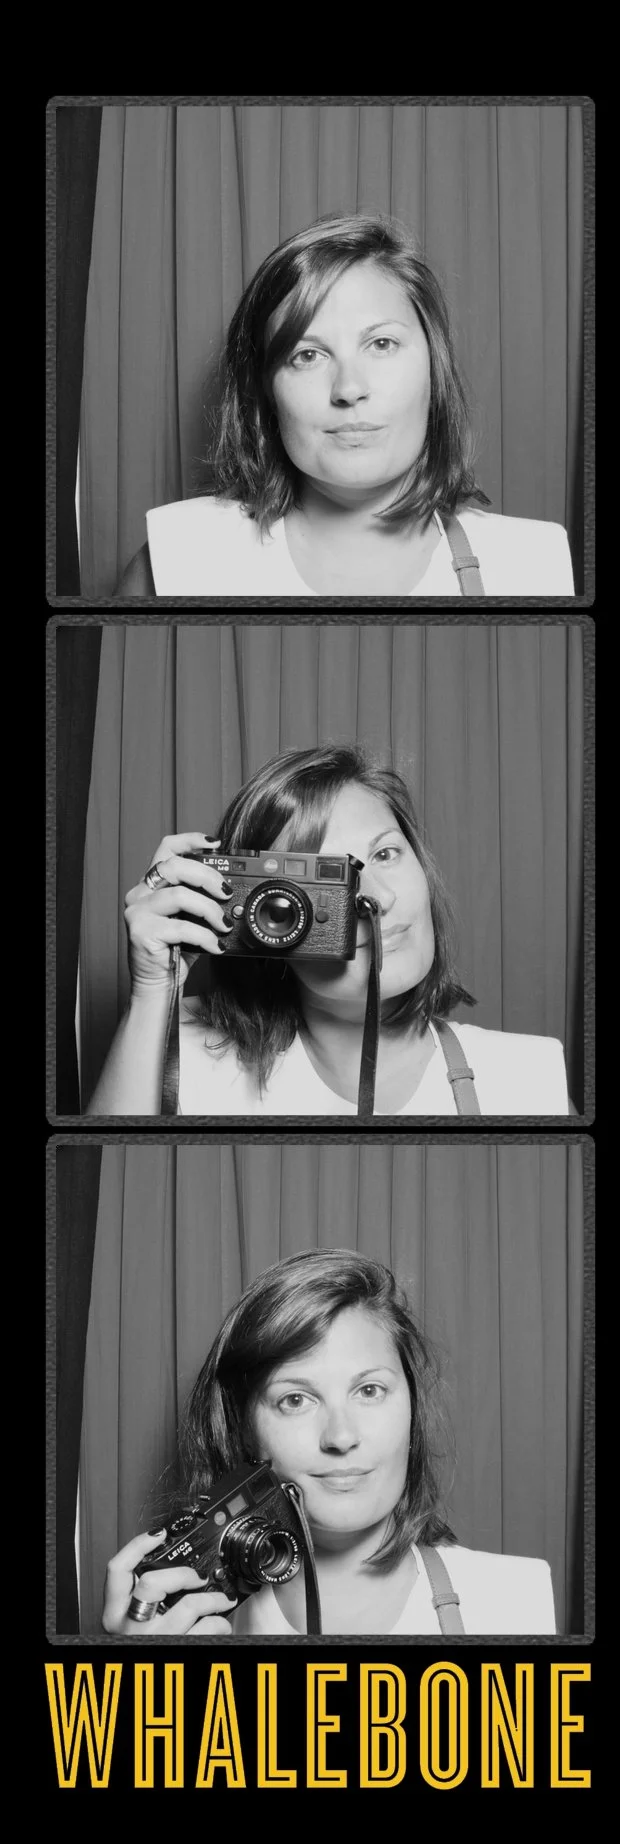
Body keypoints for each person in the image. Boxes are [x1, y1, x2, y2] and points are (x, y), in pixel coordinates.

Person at [86, 744, 572, 1117]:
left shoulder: (530, 1075)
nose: (376, 899)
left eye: (385, 854)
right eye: (322, 880)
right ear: (263, 915)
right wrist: (152, 992)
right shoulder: (184, 1053)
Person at [115, 213, 575, 600]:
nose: (349, 389)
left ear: (434, 370)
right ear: (265, 392)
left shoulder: (537, 563)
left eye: (381, 343)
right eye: (307, 355)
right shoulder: (173, 560)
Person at [102, 1250, 556, 1637]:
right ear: (244, 1430)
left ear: (412, 1411)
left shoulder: (518, 1596)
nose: (340, 1436)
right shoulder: (188, 1622)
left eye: (370, 1391)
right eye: (295, 1400)